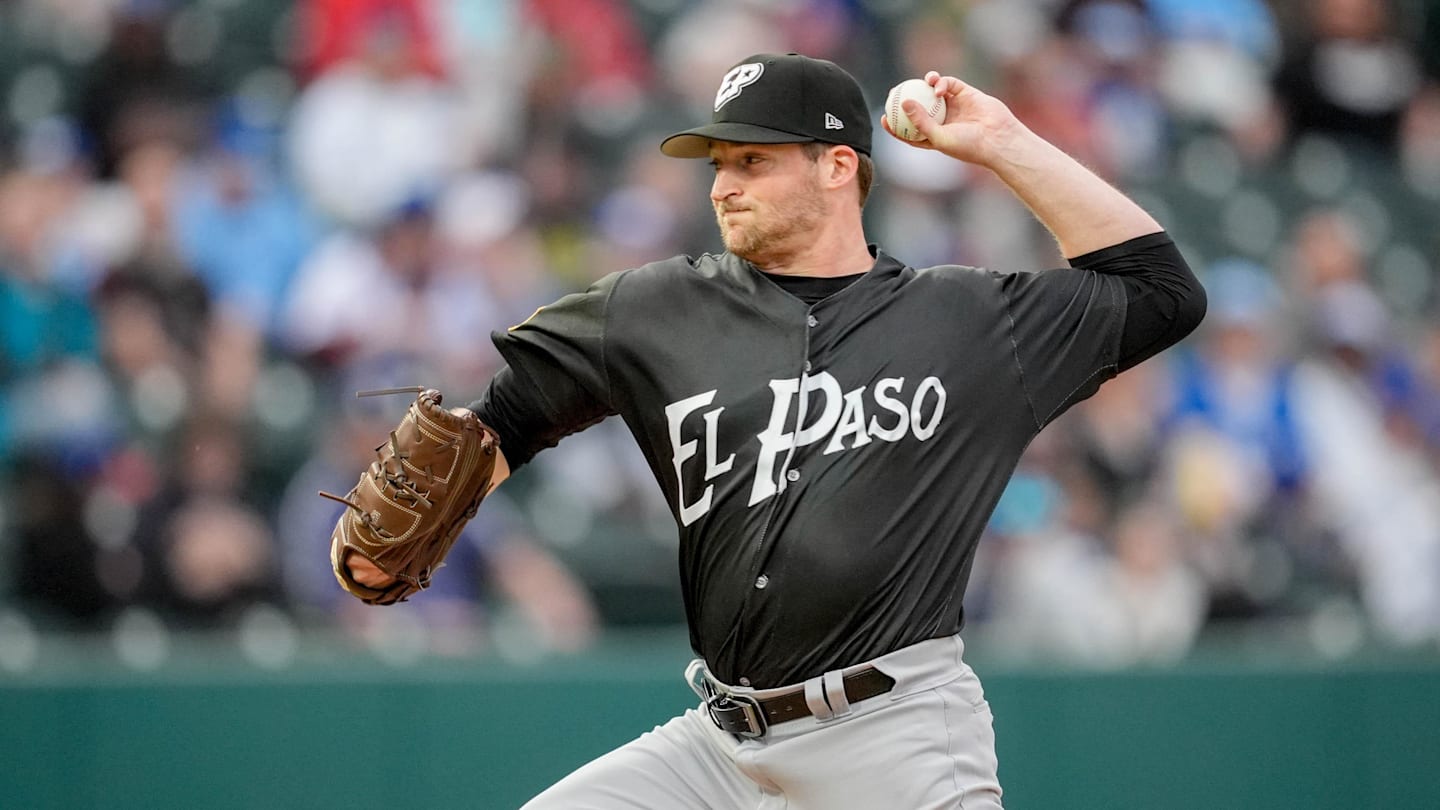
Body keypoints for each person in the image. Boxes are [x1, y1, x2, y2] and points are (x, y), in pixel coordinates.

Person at [345, 52, 1206, 808]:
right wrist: (437, 506)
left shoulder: (972, 321)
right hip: (719, 748)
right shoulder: (652, 308)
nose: (722, 184)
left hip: (894, 735)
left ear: (838, 166)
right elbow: (503, 422)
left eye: (752, 160)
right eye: (719, 161)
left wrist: (1001, 143)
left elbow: (1161, 292)